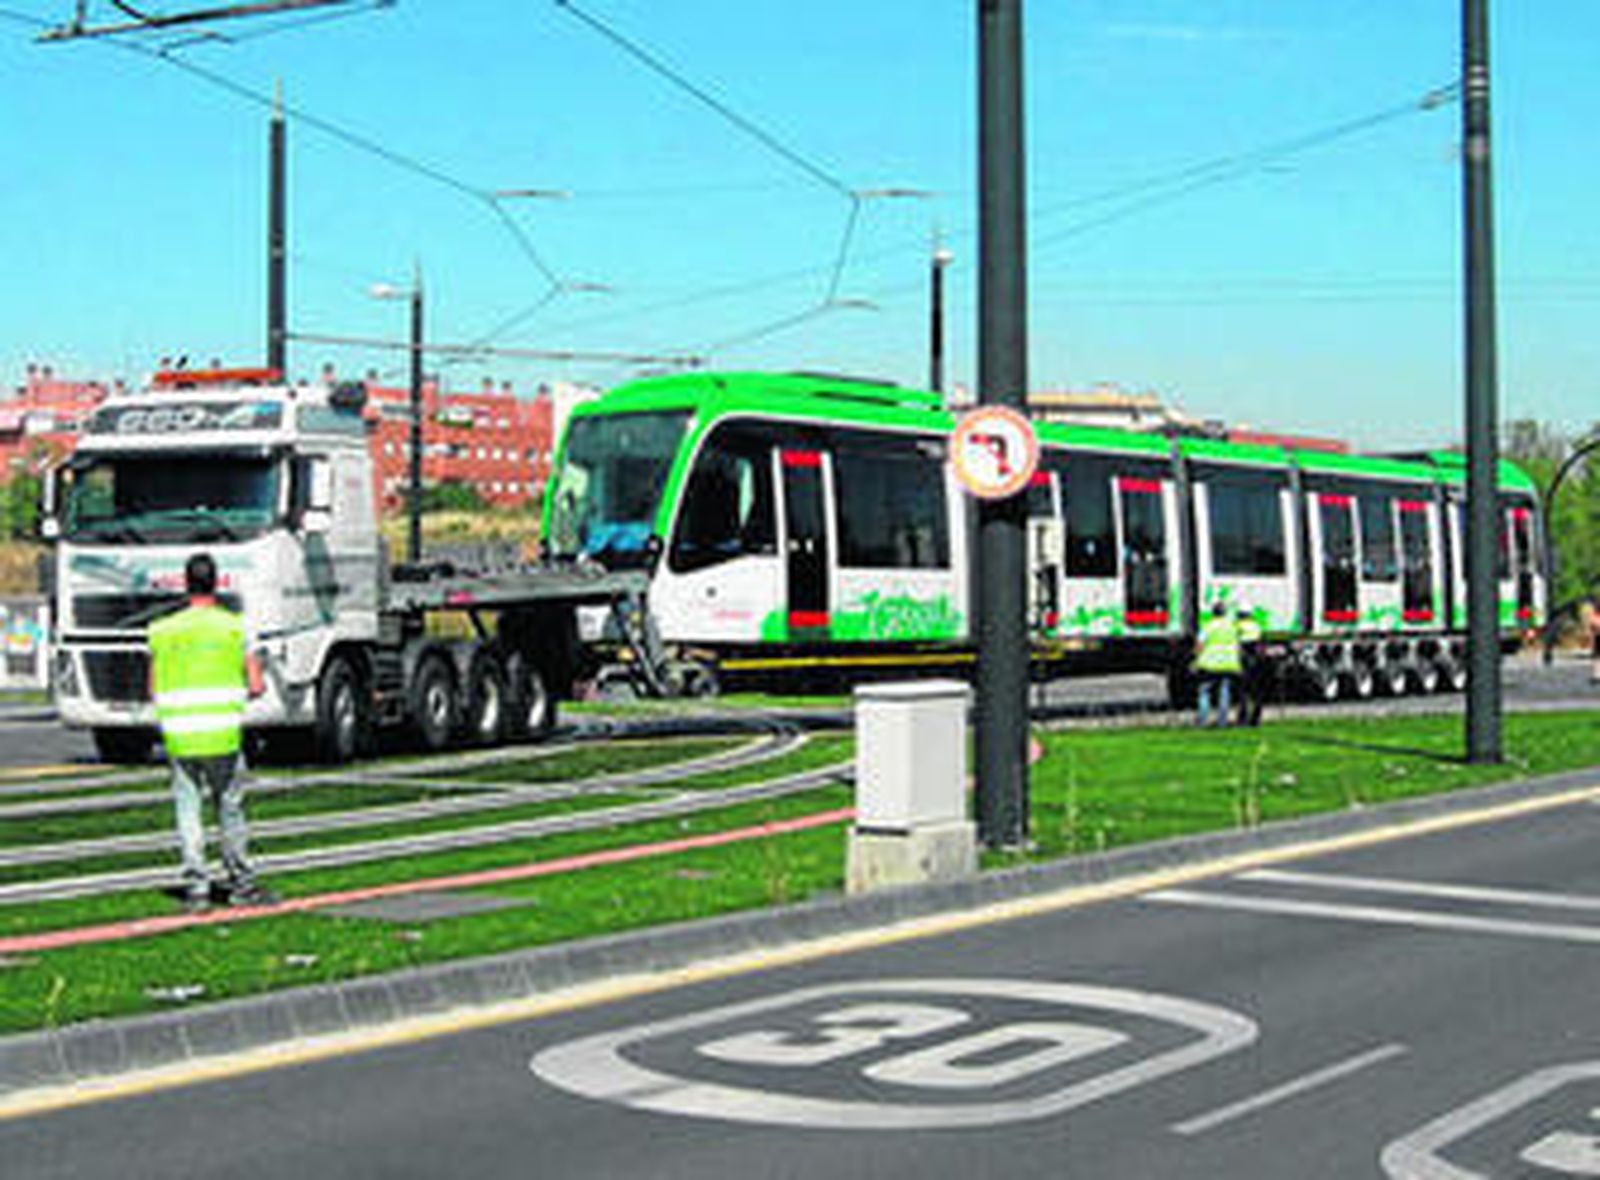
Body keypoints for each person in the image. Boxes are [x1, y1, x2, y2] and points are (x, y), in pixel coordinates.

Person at [147, 553, 275, 912]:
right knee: (229, 808)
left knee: (188, 810)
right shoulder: (235, 628)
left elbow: (154, 686)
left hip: (180, 735)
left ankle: (196, 888)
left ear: (186, 584)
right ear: (217, 583)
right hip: (221, 734)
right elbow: (256, 685)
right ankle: (241, 885)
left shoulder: (162, 630)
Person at [1193, 600, 1242, 728]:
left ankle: (1203, 721)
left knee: (1204, 691)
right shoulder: (1231, 627)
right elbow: (1238, 645)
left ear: (1213, 613)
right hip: (1228, 664)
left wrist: (1195, 660)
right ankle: (1223, 721)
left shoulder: (1208, 626)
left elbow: (1199, 645)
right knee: (1224, 692)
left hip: (1210, 664)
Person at [1234, 606, 1265, 727]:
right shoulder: (1255, 625)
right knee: (1256, 691)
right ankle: (1256, 718)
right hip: (1256, 659)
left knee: (1243, 690)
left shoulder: (1237, 625)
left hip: (1243, 659)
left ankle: (1243, 717)